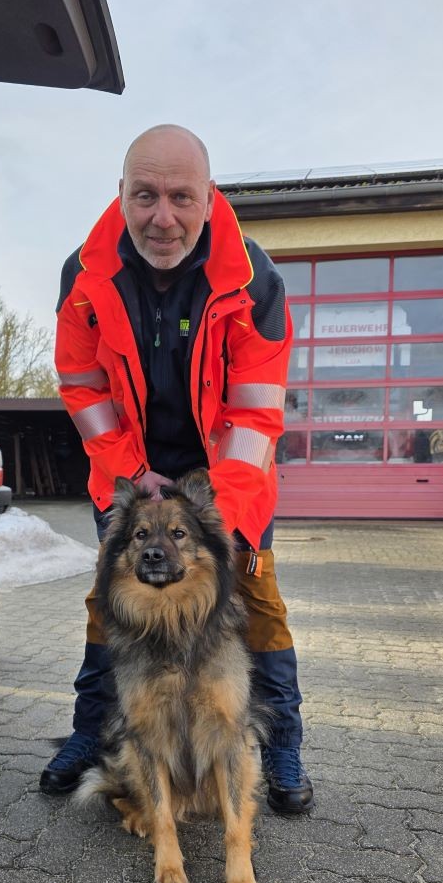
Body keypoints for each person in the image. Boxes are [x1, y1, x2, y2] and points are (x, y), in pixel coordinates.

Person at [40, 124, 313, 815]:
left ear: (209, 198)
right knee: (111, 601)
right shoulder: (84, 274)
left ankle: (282, 743)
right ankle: (89, 733)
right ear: (122, 194)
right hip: (130, 469)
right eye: (146, 195)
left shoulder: (254, 280)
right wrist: (131, 472)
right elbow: (82, 387)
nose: (163, 217)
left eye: (181, 197)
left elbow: (256, 414)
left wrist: (220, 514)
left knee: (257, 602)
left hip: (226, 475)